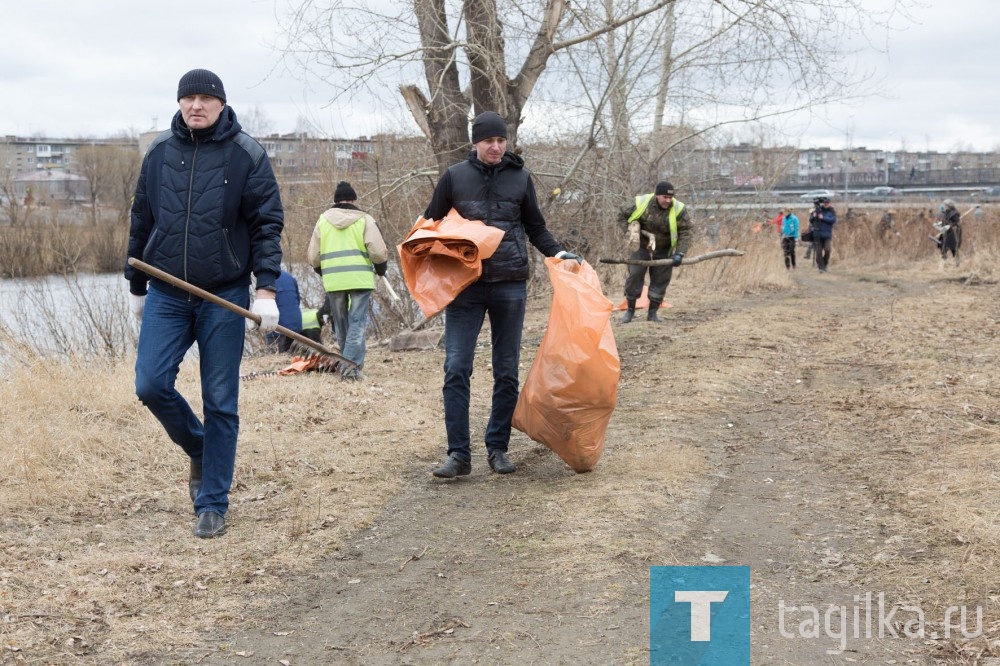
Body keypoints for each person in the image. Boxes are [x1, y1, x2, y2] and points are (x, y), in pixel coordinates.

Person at [125, 69, 284, 539]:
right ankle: (200, 447)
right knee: (150, 384)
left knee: (220, 400)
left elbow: (266, 225)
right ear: (179, 103)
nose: (196, 105)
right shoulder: (158, 152)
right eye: (188, 98)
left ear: (221, 103)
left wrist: (267, 288)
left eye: (205, 98)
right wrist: (135, 284)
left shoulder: (247, 155)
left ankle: (212, 501)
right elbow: (141, 217)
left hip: (224, 294)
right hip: (168, 292)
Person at [423, 111, 580, 478]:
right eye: (488, 141)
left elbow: (536, 227)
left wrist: (557, 253)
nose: (495, 147)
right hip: (465, 287)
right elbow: (431, 225)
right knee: (456, 367)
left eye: (500, 140)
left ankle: (498, 448)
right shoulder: (454, 177)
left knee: (506, 370)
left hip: (510, 284)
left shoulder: (520, 178)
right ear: (475, 143)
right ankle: (459, 455)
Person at [307, 180, 389, 381]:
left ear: (335, 201)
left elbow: (312, 256)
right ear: (353, 200)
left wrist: (323, 271)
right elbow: (378, 252)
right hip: (360, 279)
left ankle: (350, 366)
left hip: (334, 280)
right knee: (357, 323)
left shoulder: (322, 221)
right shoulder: (365, 220)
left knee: (341, 324)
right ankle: (349, 369)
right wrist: (380, 268)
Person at [618, 181, 694, 323]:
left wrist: (680, 253)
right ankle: (630, 311)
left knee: (660, 280)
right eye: (665, 197)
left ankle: (652, 313)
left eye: (671, 197)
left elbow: (686, 232)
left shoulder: (678, 209)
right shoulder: (641, 202)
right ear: (657, 195)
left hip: (664, 249)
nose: (668, 200)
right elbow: (621, 215)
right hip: (641, 246)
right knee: (635, 275)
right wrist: (629, 232)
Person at [266, 268, 303, 353]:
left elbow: (266, 308)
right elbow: (297, 300)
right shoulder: (290, 277)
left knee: (276, 358)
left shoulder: (266, 280)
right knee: (294, 357)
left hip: (278, 328)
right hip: (295, 325)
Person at [808, 196, 837, 272]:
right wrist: (813, 217)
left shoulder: (831, 211)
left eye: (827, 203)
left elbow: (832, 220)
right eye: (825, 203)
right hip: (817, 234)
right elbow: (811, 221)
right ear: (823, 203)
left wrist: (823, 218)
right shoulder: (818, 210)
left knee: (828, 250)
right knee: (818, 252)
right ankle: (821, 267)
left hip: (827, 234)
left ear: (829, 203)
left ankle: (825, 264)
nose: (826, 204)